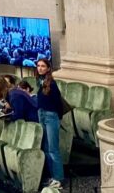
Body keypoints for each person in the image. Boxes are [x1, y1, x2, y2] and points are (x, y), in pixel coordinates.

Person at [36, 58, 65, 188]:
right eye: (38, 66)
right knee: (46, 148)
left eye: (43, 66)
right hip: (41, 114)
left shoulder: (52, 84)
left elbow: (58, 102)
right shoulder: (39, 81)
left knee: (53, 149)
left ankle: (58, 178)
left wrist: (58, 116)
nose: (40, 68)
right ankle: (51, 176)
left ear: (48, 68)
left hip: (51, 116)